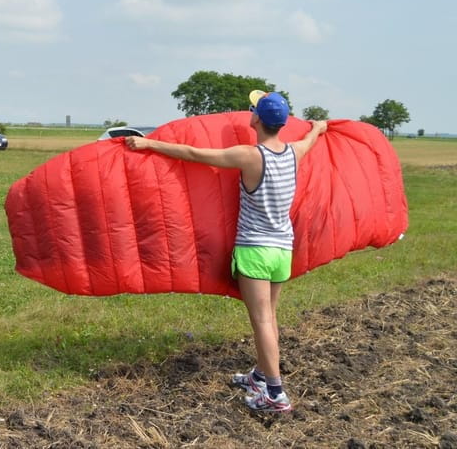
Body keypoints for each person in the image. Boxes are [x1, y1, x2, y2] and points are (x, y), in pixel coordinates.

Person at [125, 90, 327, 413]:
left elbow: (193, 153)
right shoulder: (293, 152)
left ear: (257, 119)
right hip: (282, 251)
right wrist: (318, 128)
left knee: (261, 320)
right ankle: (261, 375)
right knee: (270, 316)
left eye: (253, 109)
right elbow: (311, 139)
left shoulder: (249, 156)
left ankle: (275, 394)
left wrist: (149, 144)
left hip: (256, 252)